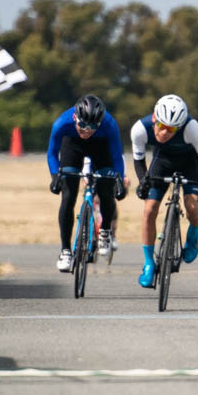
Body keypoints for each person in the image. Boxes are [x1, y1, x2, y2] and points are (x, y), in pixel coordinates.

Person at [131, 94, 198, 288]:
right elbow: (138, 160)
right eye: (161, 126)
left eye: (171, 129)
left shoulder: (192, 128)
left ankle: (193, 235)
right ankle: (148, 263)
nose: (164, 132)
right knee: (149, 209)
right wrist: (143, 181)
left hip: (190, 163)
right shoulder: (139, 129)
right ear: (154, 119)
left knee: (192, 206)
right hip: (162, 162)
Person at [46, 95, 127, 272]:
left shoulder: (109, 124)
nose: (87, 130)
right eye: (83, 125)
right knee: (68, 197)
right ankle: (65, 250)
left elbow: (116, 156)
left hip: (101, 147)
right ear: (75, 118)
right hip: (72, 146)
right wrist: (55, 176)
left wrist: (119, 179)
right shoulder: (62, 123)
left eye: (92, 127)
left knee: (106, 191)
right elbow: (52, 153)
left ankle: (105, 230)